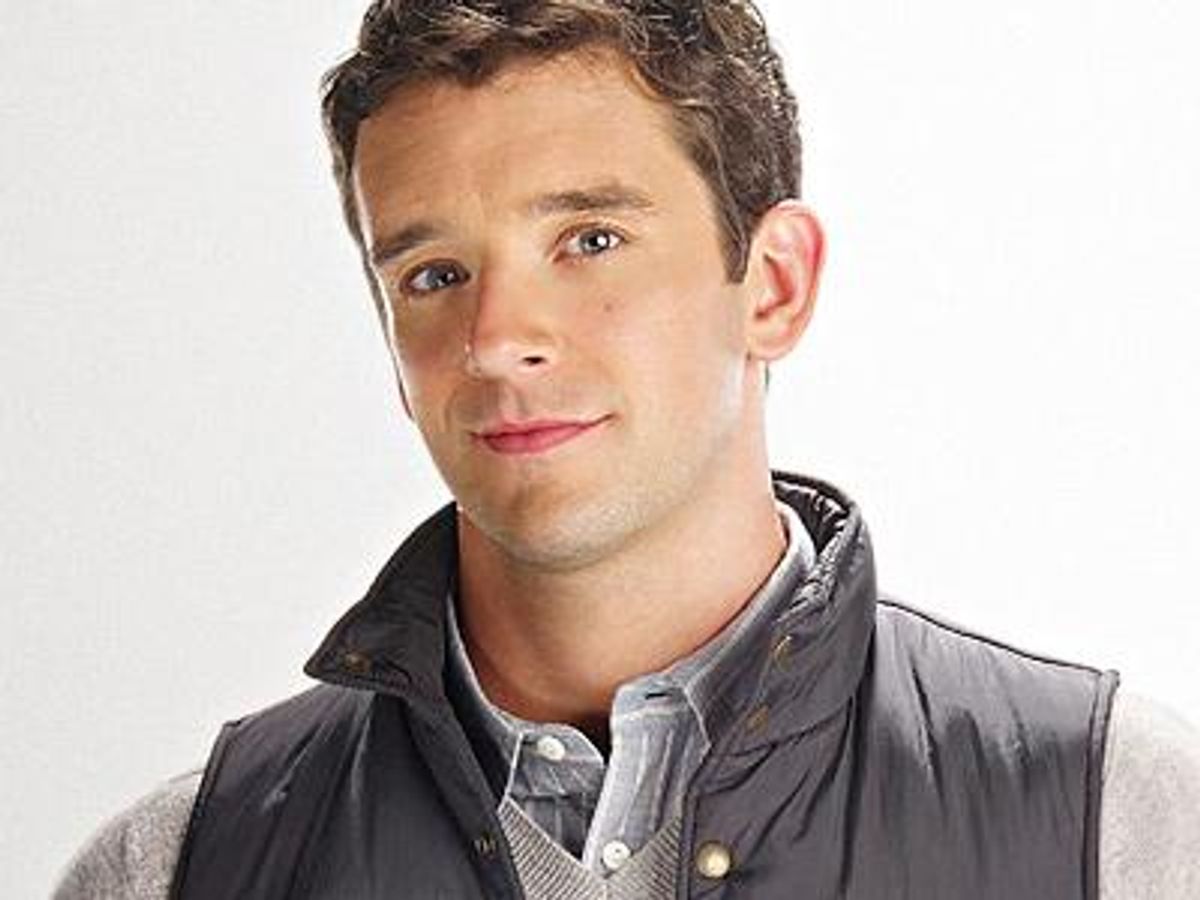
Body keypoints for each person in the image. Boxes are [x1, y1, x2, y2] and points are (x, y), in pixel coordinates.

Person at [54, 2, 1200, 898]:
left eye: (590, 239)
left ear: (774, 285)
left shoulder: (1117, 825)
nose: (496, 339)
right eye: (434, 274)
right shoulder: (176, 871)